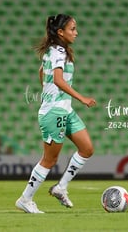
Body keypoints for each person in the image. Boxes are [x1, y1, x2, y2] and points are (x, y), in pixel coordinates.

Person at [15, 14, 96, 213]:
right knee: (49, 160)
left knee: (87, 148)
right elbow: (58, 80)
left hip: (65, 110)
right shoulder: (57, 52)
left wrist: (47, 89)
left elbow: (42, 72)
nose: (76, 33)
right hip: (54, 112)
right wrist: (82, 98)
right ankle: (25, 199)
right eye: (73, 29)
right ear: (61, 32)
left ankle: (61, 187)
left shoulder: (57, 51)